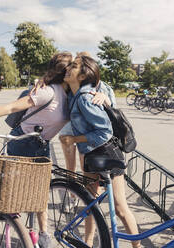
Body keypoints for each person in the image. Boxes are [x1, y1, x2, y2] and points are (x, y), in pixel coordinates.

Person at [0, 51, 109, 248]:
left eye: (72, 67)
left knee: (39, 193)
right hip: (21, 141)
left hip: (42, 144)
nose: (69, 69)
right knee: (10, 196)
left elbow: (93, 78)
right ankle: (6, 226)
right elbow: (10, 108)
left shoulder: (72, 94)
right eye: (68, 66)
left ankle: (42, 234)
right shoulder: (47, 92)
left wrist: (104, 96)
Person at [59, 55, 140, 248]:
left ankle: (137, 246)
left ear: (83, 75)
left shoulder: (86, 98)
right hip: (93, 153)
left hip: (105, 153)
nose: (69, 68)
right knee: (90, 202)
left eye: (75, 66)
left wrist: (74, 139)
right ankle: (88, 241)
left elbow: (104, 131)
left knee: (119, 207)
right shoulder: (74, 94)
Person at [59, 51, 116, 175]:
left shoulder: (90, 94)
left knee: (92, 181)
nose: (68, 68)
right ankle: (74, 189)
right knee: (79, 175)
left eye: (74, 65)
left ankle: (76, 189)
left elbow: (107, 126)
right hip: (86, 140)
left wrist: (105, 98)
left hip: (99, 145)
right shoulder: (73, 89)